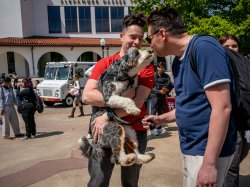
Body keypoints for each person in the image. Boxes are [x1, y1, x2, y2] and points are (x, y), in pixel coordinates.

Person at [142, 7, 236, 187]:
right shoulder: (178, 60)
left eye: (149, 38)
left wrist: (209, 164)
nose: (149, 44)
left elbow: (223, 108)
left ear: (162, 33)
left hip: (207, 152)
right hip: (192, 147)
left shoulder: (204, 48)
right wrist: (163, 118)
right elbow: (191, 105)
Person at [82, 14, 154, 187]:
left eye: (141, 38)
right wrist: (120, 100)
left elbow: (137, 103)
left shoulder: (145, 66)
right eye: (132, 37)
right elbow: (87, 96)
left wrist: (107, 114)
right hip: (102, 132)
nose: (137, 42)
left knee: (130, 183)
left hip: (134, 131)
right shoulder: (105, 63)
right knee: (97, 181)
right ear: (122, 37)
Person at [219, 34, 249, 187]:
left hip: (246, 122)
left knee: (238, 158)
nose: (231, 49)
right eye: (227, 47)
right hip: (231, 124)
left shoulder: (246, 64)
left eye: (234, 46)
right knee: (232, 167)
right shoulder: (219, 66)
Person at [147, 61, 172, 136]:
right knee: (152, 113)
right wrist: (159, 91)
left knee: (161, 113)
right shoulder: (153, 75)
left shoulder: (167, 76)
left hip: (162, 97)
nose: (161, 69)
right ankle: (152, 129)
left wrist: (166, 90)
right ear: (157, 68)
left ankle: (159, 128)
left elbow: (169, 85)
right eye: (159, 67)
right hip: (153, 97)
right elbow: (150, 87)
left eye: (163, 67)